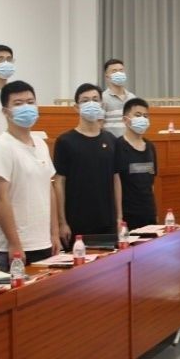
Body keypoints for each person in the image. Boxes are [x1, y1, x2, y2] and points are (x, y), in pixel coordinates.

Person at [0, 80, 61, 265]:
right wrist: (14, 243)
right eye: (18, 104)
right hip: (15, 247)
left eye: (30, 102)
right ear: (5, 111)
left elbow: (49, 189)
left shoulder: (41, 144)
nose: (26, 108)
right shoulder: (0, 147)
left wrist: (54, 233)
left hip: (43, 241)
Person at [54, 82, 119, 241]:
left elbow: (116, 179)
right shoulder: (65, 141)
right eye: (85, 100)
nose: (91, 104)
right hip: (76, 223)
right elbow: (59, 182)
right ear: (76, 107)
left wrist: (119, 217)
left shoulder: (111, 139)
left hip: (107, 222)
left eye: (95, 100)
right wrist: (62, 222)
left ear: (102, 105)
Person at [114, 97, 159, 228]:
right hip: (127, 216)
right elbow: (115, 183)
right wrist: (118, 217)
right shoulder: (117, 146)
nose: (142, 119)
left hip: (148, 213)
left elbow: (151, 184)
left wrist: (154, 211)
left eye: (145, 116)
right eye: (138, 115)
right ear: (125, 120)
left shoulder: (150, 147)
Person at [100, 58, 137, 137]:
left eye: (121, 70)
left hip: (129, 141)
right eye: (114, 71)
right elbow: (99, 124)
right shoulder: (102, 98)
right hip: (111, 142)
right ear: (107, 75)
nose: (119, 73)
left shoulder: (132, 97)